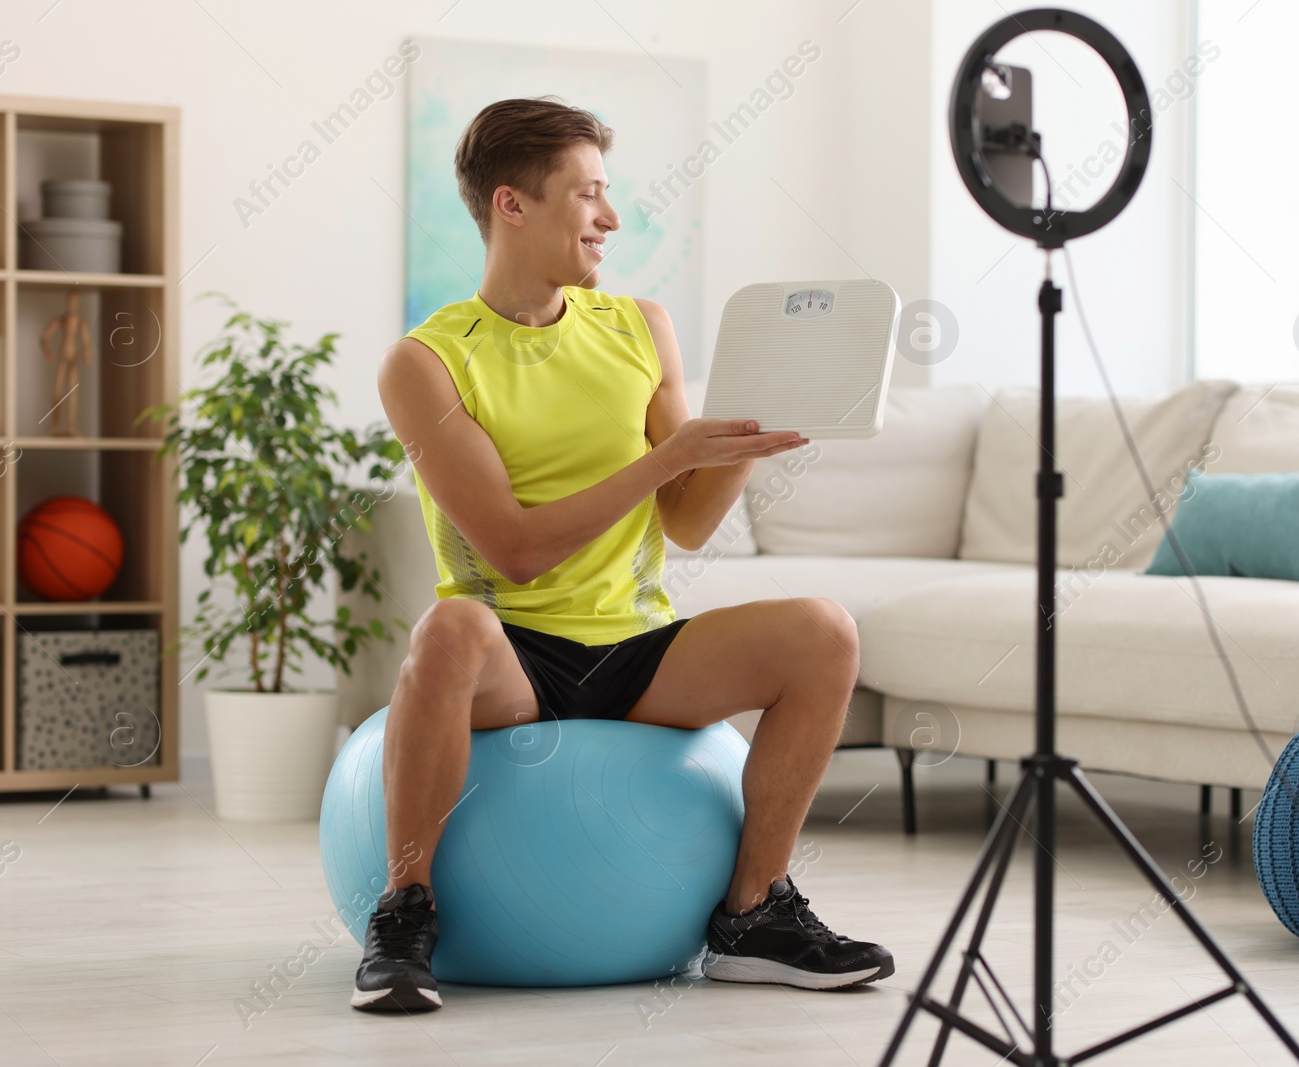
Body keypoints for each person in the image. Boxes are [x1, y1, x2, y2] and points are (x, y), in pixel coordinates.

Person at [354, 95, 894, 1013]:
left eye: (610, 194)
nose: (611, 217)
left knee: (824, 632)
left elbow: (682, 520)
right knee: (448, 627)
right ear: (511, 205)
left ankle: (753, 912)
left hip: (637, 646)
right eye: (589, 194)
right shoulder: (427, 360)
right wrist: (670, 456)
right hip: (511, 653)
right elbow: (514, 552)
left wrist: (745, 440)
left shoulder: (638, 327)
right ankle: (405, 912)